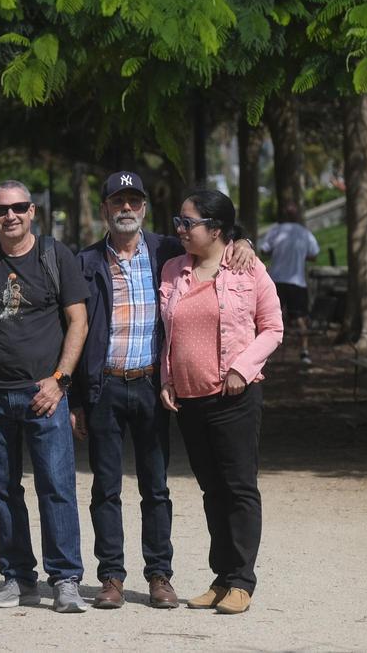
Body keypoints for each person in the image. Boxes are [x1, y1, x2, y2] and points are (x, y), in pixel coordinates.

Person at [72, 171, 256, 610]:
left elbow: (214, 241)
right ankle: (112, 577)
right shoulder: (85, 262)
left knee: (156, 488)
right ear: (104, 209)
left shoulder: (168, 251)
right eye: (118, 201)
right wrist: (76, 398)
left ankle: (159, 576)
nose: (126, 209)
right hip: (105, 387)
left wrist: (242, 240)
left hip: (153, 386)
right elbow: (73, 332)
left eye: (134, 201)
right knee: (106, 488)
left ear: (144, 208)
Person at [0, 180, 90, 614]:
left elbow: (78, 321)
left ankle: (65, 579)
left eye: (18, 208)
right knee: (1, 489)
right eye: (0, 210)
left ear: (32, 211)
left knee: (57, 487)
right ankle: (17, 578)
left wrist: (60, 380)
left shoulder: (55, 254)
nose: (9, 216)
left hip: (42, 394)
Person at [158, 189, 283, 615]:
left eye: (187, 223)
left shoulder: (248, 268)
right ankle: (221, 576)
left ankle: (242, 581)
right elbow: (167, 333)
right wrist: (167, 378)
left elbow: (273, 328)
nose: (179, 229)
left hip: (234, 397)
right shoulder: (174, 268)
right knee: (212, 490)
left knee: (239, 489)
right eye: (179, 221)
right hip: (190, 399)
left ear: (216, 229)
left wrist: (241, 368)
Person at [258, 203, 319, 364]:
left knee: (268, 317)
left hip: (276, 280)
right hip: (297, 282)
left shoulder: (276, 230)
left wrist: (278, 252)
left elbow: (264, 250)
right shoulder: (305, 233)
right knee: (300, 318)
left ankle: (264, 353)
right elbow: (314, 255)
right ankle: (304, 352)